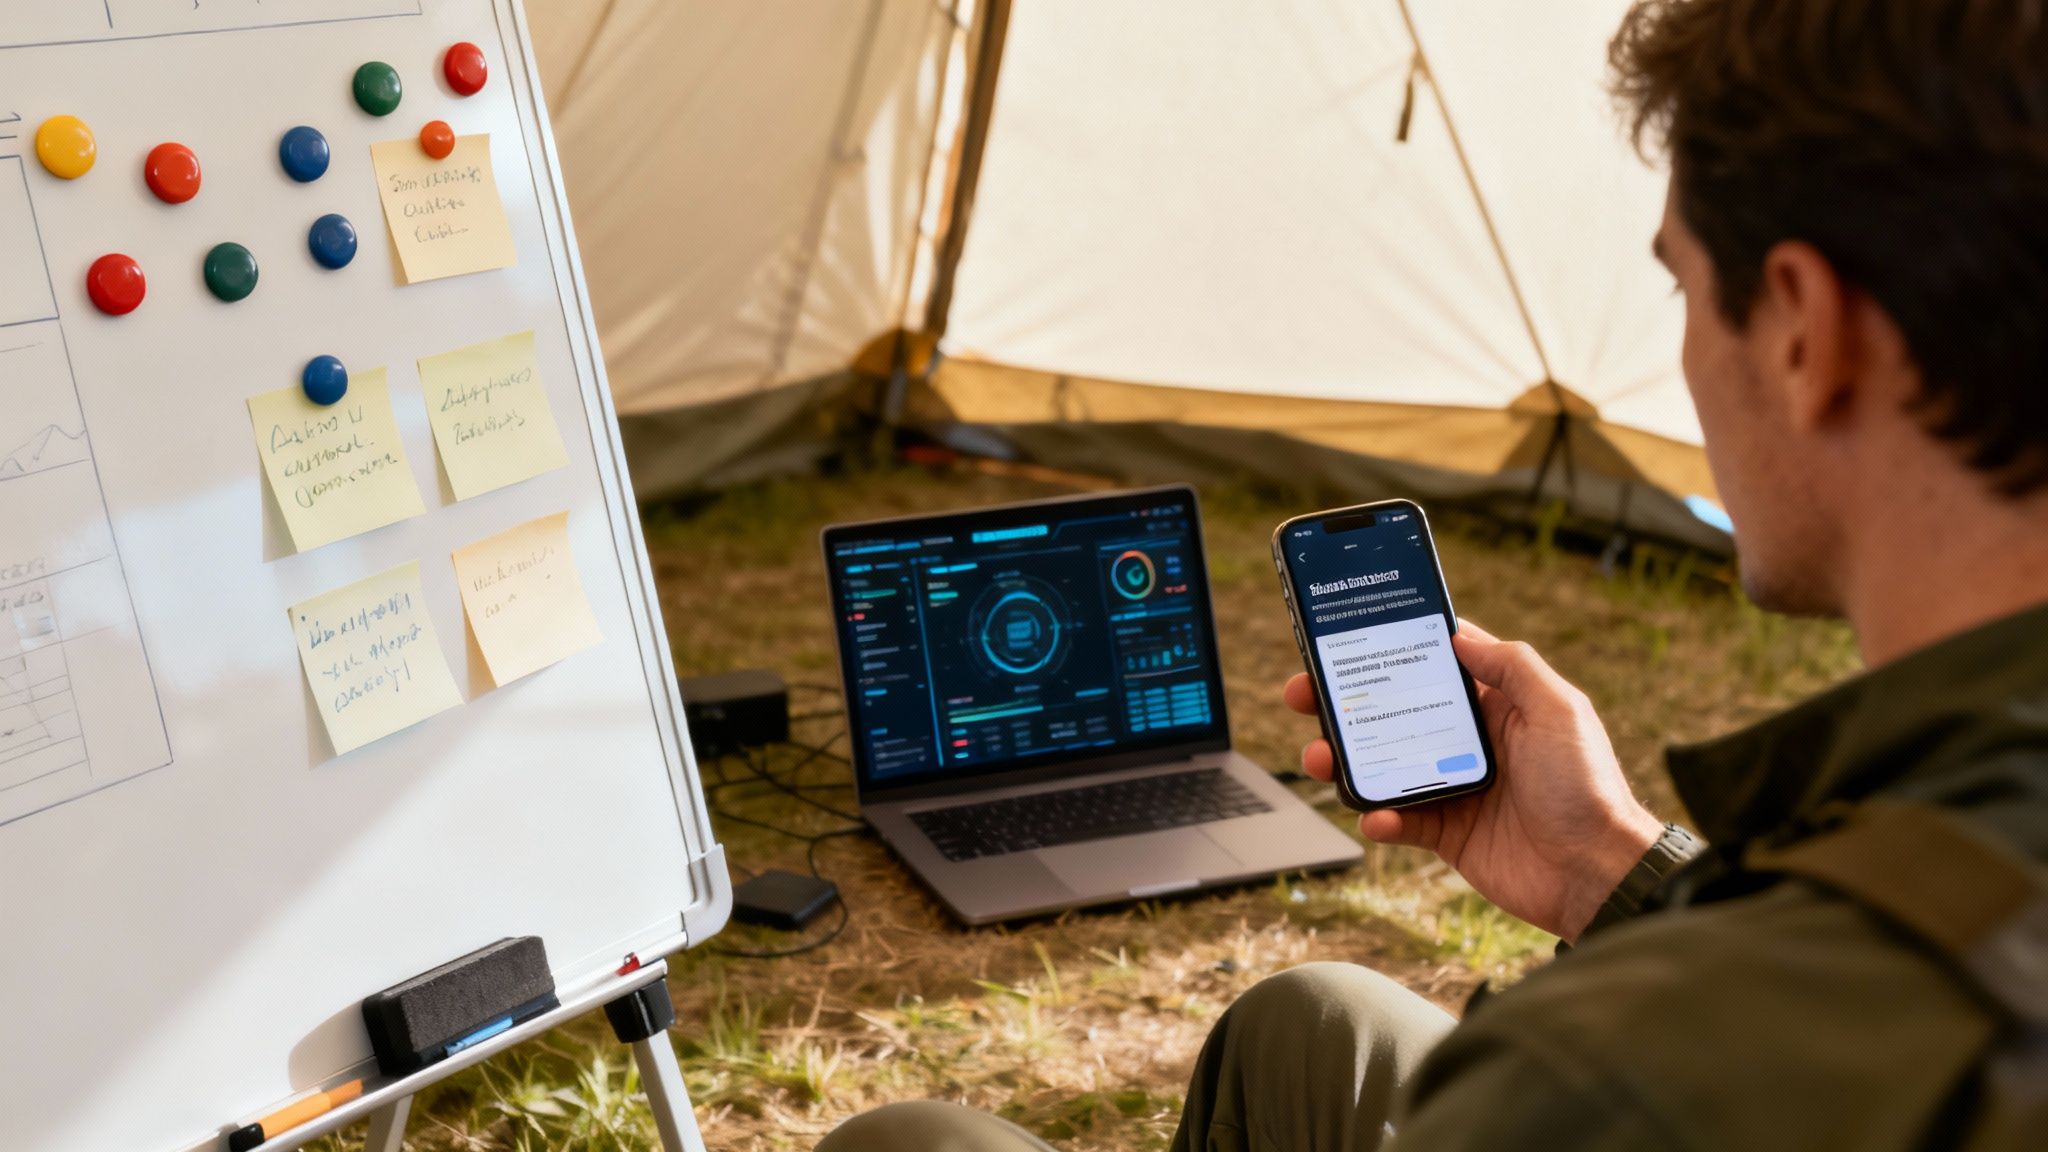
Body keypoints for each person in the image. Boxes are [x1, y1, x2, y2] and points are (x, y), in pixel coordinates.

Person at [818, 0, 2048, 1146]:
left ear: (1800, 328)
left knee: (907, 1138)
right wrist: (1609, 864)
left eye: (1680, 285)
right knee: (1313, 1020)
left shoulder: (1612, 1076)